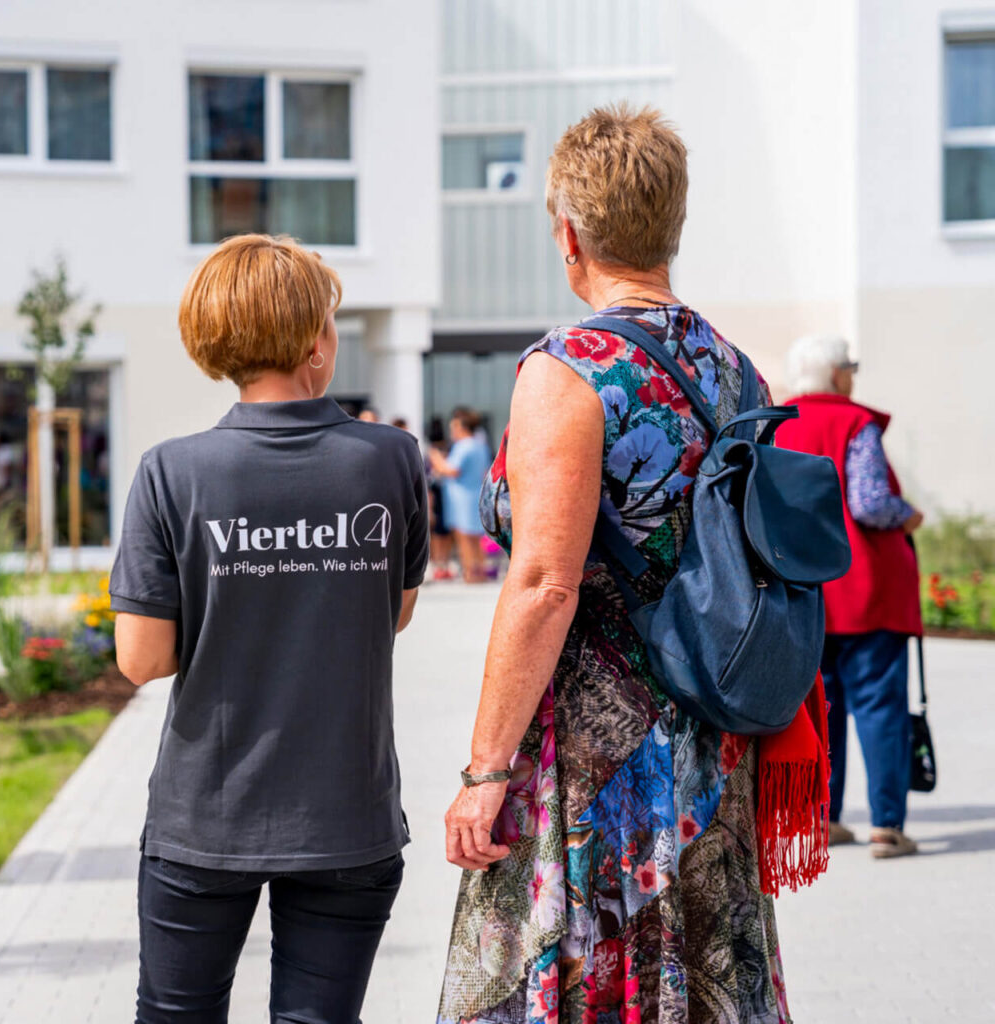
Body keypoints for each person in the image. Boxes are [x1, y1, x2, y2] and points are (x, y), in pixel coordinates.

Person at [436, 105, 802, 1023]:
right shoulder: (737, 370)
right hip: (712, 737)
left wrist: (485, 771)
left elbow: (544, 582)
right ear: (671, 225)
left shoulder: (570, 368)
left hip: (597, 760)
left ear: (568, 231)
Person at [110, 233, 428, 1023]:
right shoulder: (388, 459)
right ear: (319, 341)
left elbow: (141, 660)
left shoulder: (171, 472)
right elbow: (394, 613)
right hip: (347, 817)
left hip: (205, 820)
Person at [774, 335, 922, 859]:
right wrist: (908, 515)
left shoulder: (775, 422)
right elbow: (868, 502)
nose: (854, 377)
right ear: (837, 375)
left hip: (803, 592)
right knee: (881, 706)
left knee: (821, 707)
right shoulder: (854, 423)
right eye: (851, 368)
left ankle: (825, 819)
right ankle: (887, 825)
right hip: (866, 591)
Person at [429, 407, 489, 582]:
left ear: (462, 428)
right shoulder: (480, 445)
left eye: (454, 427)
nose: (452, 432)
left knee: (464, 536)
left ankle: (470, 573)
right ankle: (480, 572)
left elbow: (451, 469)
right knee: (475, 538)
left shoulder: (464, 446)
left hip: (461, 498)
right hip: (476, 494)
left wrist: (435, 456)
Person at [426, 418, 457, 580]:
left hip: (440, 493)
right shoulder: (445, 449)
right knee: (441, 531)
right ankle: (441, 563)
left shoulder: (432, 452)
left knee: (440, 531)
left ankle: (440, 563)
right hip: (440, 494)